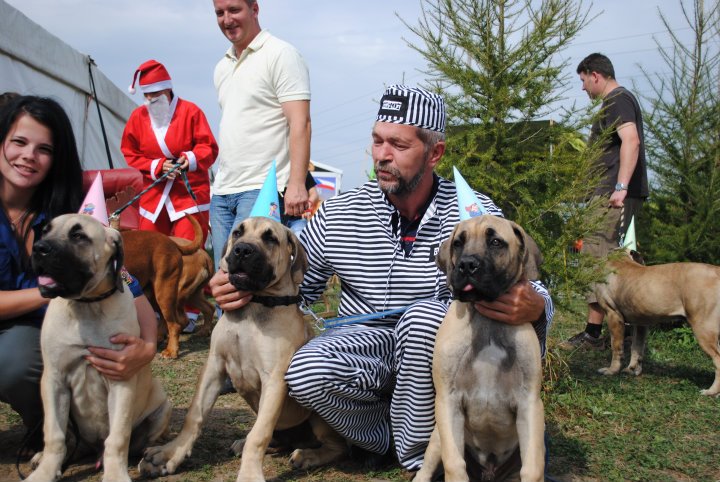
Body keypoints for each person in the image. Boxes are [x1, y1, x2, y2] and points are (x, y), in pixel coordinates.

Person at [210, 85, 554, 472]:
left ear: (435, 153)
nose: (382, 155)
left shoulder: (472, 217)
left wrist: (536, 305)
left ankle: (419, 458)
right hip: (362, 348)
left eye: (398, 145)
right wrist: (237, 282)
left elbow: (529, 282)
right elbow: (294, 287)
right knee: (306, 369)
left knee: (423, 320)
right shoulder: (339, 213)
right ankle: (379, 440)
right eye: (377, 141)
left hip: (436, 349)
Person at [0, 95, 158, 456]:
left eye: (44, 149)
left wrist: (147, 348)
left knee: (20, 359)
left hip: (39, 336)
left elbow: (127, 284)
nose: (29, 156)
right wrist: (50, 290)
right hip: (29, 329)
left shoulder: (69, 215)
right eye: (19, 142)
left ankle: (61, 433)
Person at [210, 0, 312, 270]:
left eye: (234, 10)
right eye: (220, 13)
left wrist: (297, 183)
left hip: (262, 187)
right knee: (223, 276)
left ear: (254, 9)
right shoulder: (222, 67)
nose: (227, 19)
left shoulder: (281, 54)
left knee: (247, 279)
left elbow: (300, 122)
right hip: (222, 191)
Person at [561, 53, 649, 350]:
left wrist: (620, 187)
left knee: (597, 258)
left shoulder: (617, 100)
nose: (583, 87)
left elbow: (631, 140)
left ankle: (593, 334)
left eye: (583, 80)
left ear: (595, 75)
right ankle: (622, 330)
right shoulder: (619, 100)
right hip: (612, 193)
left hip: (611, 195)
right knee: (617, 259)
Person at [122, 59, 218, 243]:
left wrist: (189, 159)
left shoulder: (191, 111)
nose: (150, 99)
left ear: (167, 89)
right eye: (146, 95)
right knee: (149, 248)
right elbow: (130, 152)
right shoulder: (137, 117)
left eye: (155, 93)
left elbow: (208, 147)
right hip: (154, 194)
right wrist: (156, 166)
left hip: (188, 194)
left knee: (189, 250)